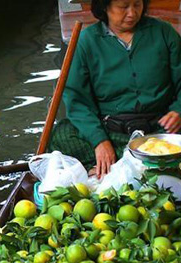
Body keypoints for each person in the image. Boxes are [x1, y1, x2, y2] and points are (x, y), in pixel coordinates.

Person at [49, 0, 181, 179]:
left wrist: (178, 111)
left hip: (160, 130)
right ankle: (127, 162)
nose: (132, 13)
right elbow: (77, 99)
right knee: (61, 136)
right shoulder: (86, 41)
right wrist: (100, 141)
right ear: (105, 6)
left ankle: (111, 167)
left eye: (137, 5)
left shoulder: (163, 32)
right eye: (123, 6)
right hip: (112, 130)